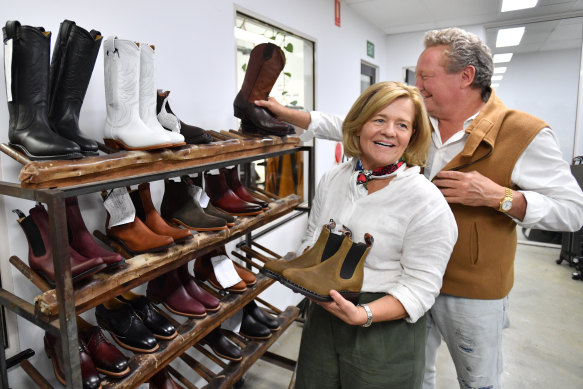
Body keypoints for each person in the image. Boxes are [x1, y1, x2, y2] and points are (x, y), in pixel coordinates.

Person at [255, 28, 583, 389]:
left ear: (465, 76)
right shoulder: (421, 118)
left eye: (426, 76)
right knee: (416, 374)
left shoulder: (523, 132)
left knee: (478, 379)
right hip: (399, 281)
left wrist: (500, 197)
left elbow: (572, 211)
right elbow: (360, 124)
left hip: (470, 290)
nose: (419, 84)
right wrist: (287, 113)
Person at [291, 81, 457, 389]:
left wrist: (361, 314)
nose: (389, 131)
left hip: (383, 328)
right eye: (379, 119)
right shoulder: (334, 179)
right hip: (323, 316)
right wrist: (304, 269)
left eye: (402, 125)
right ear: (358, 125)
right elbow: (313, 233)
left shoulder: (426, 201)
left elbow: (421, 287)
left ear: (412, 136)